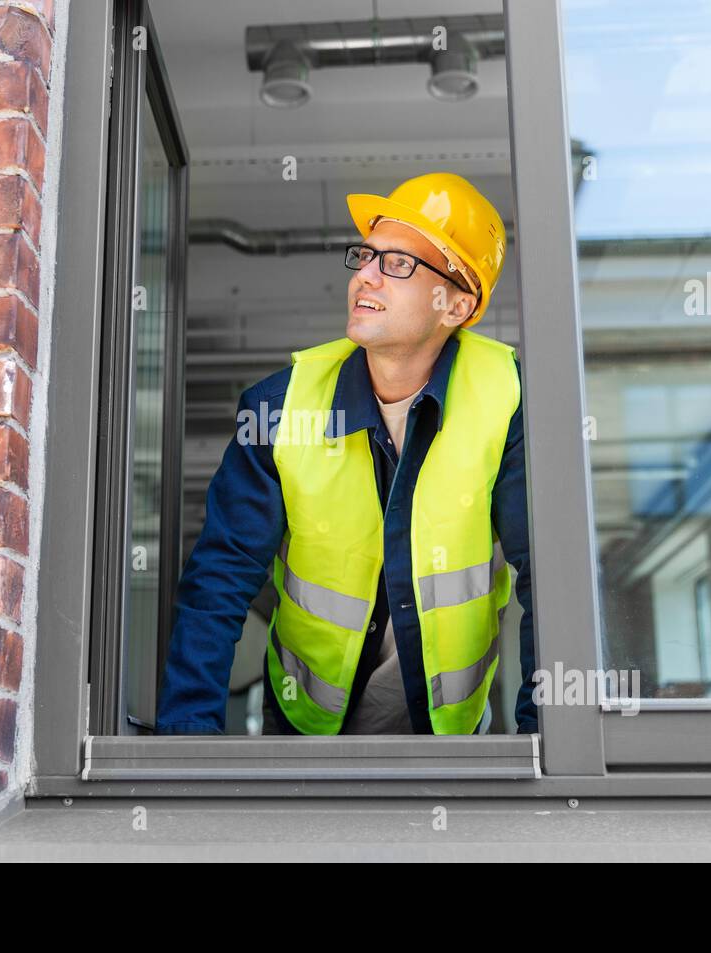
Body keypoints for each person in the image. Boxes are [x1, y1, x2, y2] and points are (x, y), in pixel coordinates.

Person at [156, 171, 537, 736]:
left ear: (455, 305)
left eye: (397, 264)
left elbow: (544, 584)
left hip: (451, 737)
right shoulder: (279, 409)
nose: (365, 276)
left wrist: (545, 740)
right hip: (305, 728)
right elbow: (219, 581)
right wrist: (188, 747)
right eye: (366, 255)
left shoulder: (508, 402)